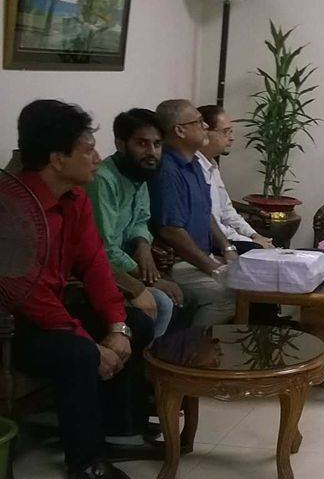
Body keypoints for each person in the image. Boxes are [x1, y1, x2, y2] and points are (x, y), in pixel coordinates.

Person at [9, 100, 156, 479]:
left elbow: (94, 265)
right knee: (78, 354)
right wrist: (90, 344)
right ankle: (85, 460)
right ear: (57, 159)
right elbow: (30, 296)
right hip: (14, 325)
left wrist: (117, 327)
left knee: (138, 323)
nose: (97, 158)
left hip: (51, 313)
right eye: (88, 150)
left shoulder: (75, 198)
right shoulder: (14, 209)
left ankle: (118, 430)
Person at [85, 108, 186, 341]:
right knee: (163, 301)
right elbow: (104, 247)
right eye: (142, 143)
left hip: (126, 264)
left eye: (157, 144)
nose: (152, 152)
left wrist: (142, 244)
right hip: (102, 271)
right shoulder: (103, 179)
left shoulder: (139, 173)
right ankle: (145, 360)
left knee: (175, 296)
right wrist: (150, 278)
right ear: (120, 144)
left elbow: (140, 219)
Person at [150, 99, 236, 328]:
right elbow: (171, 231)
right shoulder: (167, 169)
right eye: (198, 122)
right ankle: (191, 346)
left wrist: (227, 248)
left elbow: (206, 212)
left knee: (249, 280)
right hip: (177, 264)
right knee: (225, 297)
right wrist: (211, 267)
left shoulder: (195, 163)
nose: (205, 126)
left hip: (201, 257)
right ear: (180, 130)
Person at [196, 104, 274, 254]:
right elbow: (211, 224)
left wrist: (254, 235)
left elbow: (227, 211)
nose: (232, 138)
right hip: (212, 242)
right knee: (262, 251)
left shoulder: (212, 166)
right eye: (226, 132)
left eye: (231, 131)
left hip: (226, 238)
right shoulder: (195, 168)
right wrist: (251, 242)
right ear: (205, 132)